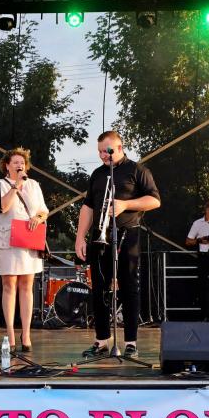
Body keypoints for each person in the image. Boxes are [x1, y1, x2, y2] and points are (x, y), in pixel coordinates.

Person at [75, 130, 161, 358]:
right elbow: (88, 207)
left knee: (130, 288)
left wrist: (125, 205)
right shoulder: (97, 174)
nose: (103, 155)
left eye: (107, 151)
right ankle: (102, 340)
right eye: (100, 152)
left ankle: (131, 342)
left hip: (127, 235)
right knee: (99, 289)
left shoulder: (137, 170)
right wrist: (80, 237)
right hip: (99, 237)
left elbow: (154, 200)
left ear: (120, 147)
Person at [0, 147, 48, 352]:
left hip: (28, 238)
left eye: (22, 162)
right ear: (7, 166)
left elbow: (43, 210)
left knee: (27, 285)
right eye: (15, 162)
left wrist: (38, 218)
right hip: (7, 238)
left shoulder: (33, 185)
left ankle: (26, 333)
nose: (19, 165)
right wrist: (15, 186)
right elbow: (3, 208)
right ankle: (9, 333)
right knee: (9, 284)